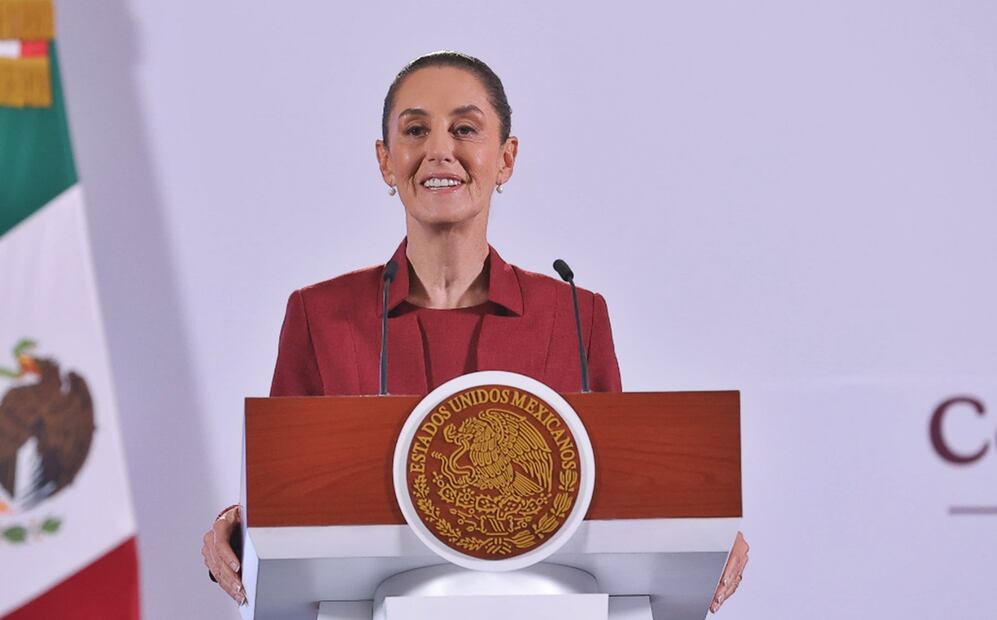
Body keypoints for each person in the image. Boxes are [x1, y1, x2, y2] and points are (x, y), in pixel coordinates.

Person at [200, 51, 749, 613]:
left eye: (465, 129)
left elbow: (615, 490)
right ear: (386, 161)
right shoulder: (320, 315)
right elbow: (283, 493)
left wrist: (701, 525)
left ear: (506, 158)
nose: (440, 150)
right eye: (416, 130)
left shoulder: (574, 315)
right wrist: (235, 522)